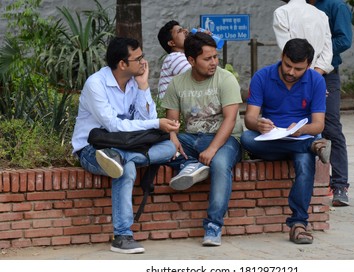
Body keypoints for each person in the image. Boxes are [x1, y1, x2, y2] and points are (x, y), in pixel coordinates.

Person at [71, 37, 179, 254]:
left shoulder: (133, 82)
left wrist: (143, 86)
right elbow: (113, 125)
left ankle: (123, 158)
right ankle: (122, 236)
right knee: (125, 170)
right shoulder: (96, 84)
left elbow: (146, 117)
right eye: (138, 58)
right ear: (122, 64)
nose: (143, 62)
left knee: (170, 148)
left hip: (126, 148)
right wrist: (156, 123)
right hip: (93, 149)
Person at [240, 38, 331, 245]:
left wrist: (301, 130)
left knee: (304, 163)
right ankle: (313, 147)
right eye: (287, 65)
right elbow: (249, 118)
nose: (291, 72)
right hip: (271, 142)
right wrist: (259, 124)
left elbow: (318, 125)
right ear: (282, 57)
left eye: (298, 69)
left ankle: (298, 224)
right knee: (246, 138)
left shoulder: (316, 81)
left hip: (301, 137)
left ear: (308, 66)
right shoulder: (262, 76)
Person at [162, 32, 243, 246]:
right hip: (191, 137)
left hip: (225, 139)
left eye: (215, 57)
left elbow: (230, 119)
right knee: (162, 149)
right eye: (208, 59)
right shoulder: (177, 83)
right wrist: (172, 137)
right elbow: (172, 122)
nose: (214, 62)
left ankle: (213, 226)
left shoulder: (226, 79)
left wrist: (212, 149)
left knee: (220, 164)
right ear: (191, 60)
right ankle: (191, 164)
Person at [310, 0, 353, 206]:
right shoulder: (298, 6)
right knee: (302, 125)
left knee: (331, 127)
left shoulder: (336, 6)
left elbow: (344, 40)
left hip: (327, 74)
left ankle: (339, 185)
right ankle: (314, 182)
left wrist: (317, 51)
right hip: (299, 74)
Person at [273, 0, 333, 76]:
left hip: (292, 77)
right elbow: (327, 53)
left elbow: (288, 50)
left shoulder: (282, 12)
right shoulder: (321, 14)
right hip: (314, 75)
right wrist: (314, 76)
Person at [157, 20, 191, 99]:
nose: (185, 31)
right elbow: (200, 76)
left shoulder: (182, 57)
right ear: (172, 43)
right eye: (180, 31)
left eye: (183, 29)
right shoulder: (175, 57)